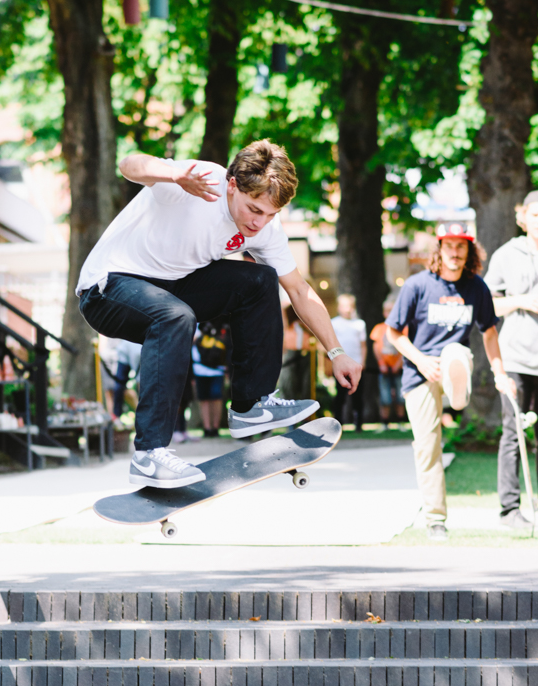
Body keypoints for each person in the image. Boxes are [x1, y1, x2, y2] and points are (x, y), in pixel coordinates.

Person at [77, 139, 361, 488]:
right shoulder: (199, 182)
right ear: (232, 185)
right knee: (176, 316)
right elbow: (129, 164)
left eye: (271, 214)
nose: (259, 223)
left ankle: (250, 405)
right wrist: (173, 172)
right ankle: (149, 455)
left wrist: (337, 352)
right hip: (107, 287)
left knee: (260, 280)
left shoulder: (266, 229)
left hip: (171, 286)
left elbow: (300, 291)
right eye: (254, 210)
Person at [387, 222, 515, 542]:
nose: (455, 252)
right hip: (420, 371)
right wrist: (420, 360)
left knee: (457, 351)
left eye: (462, 246)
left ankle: (457, 389)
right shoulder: (417, 285)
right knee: (428, 448)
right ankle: (435, 520)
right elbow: (392, 333)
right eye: (450, 245)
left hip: (454, 362)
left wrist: (500, 373)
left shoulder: (477, 287)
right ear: (440, 249)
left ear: (469, 251)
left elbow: (489, 333)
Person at [485, 190, 538, 529]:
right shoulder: (506, 255)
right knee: (513, 432)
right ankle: (510, 510)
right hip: (515, 358)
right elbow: (487, 306)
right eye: (535, 215)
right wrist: (520, 301)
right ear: (523, 218)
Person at [330, 293, 366, 431]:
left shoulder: (359, 324)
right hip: (340, 366)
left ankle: (359, 423)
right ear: (339, 307)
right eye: (344, 306)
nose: (347, 309)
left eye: (349, 306)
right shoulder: (334, 323)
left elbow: (363, 346)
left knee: (358, 396)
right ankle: (338, 423)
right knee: (340, 396)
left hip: (356, 364)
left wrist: (362, 362)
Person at [370, 297, 404, 428]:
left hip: (398, 368)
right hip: (384, 368)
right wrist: (381, 363)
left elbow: (404, 347)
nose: (389, 313)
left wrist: (398, 364)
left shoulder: (401, 328)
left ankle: (400, 421)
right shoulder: (379, 328)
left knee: (400, 396)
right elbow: (376, 347)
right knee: (385, 397)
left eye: (392, 310)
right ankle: (385, 423)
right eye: (387, 310)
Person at [192, 320, 229, 437]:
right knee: (204, 399)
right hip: (200, 370)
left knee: (216, 398)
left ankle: (215, 427)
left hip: (217, 370)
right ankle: (207, 428)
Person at [277, 303, 310, 402]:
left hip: (305, 353)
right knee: (288, 382)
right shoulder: (287, 324)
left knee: (305, 384)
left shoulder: (303, 326)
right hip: (289, 353)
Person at [112, 337, 142, 419]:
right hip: (130, 347)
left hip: (133, 346)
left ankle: (117, 415)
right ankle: (117, 415)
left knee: (120, 385)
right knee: (120, 385)